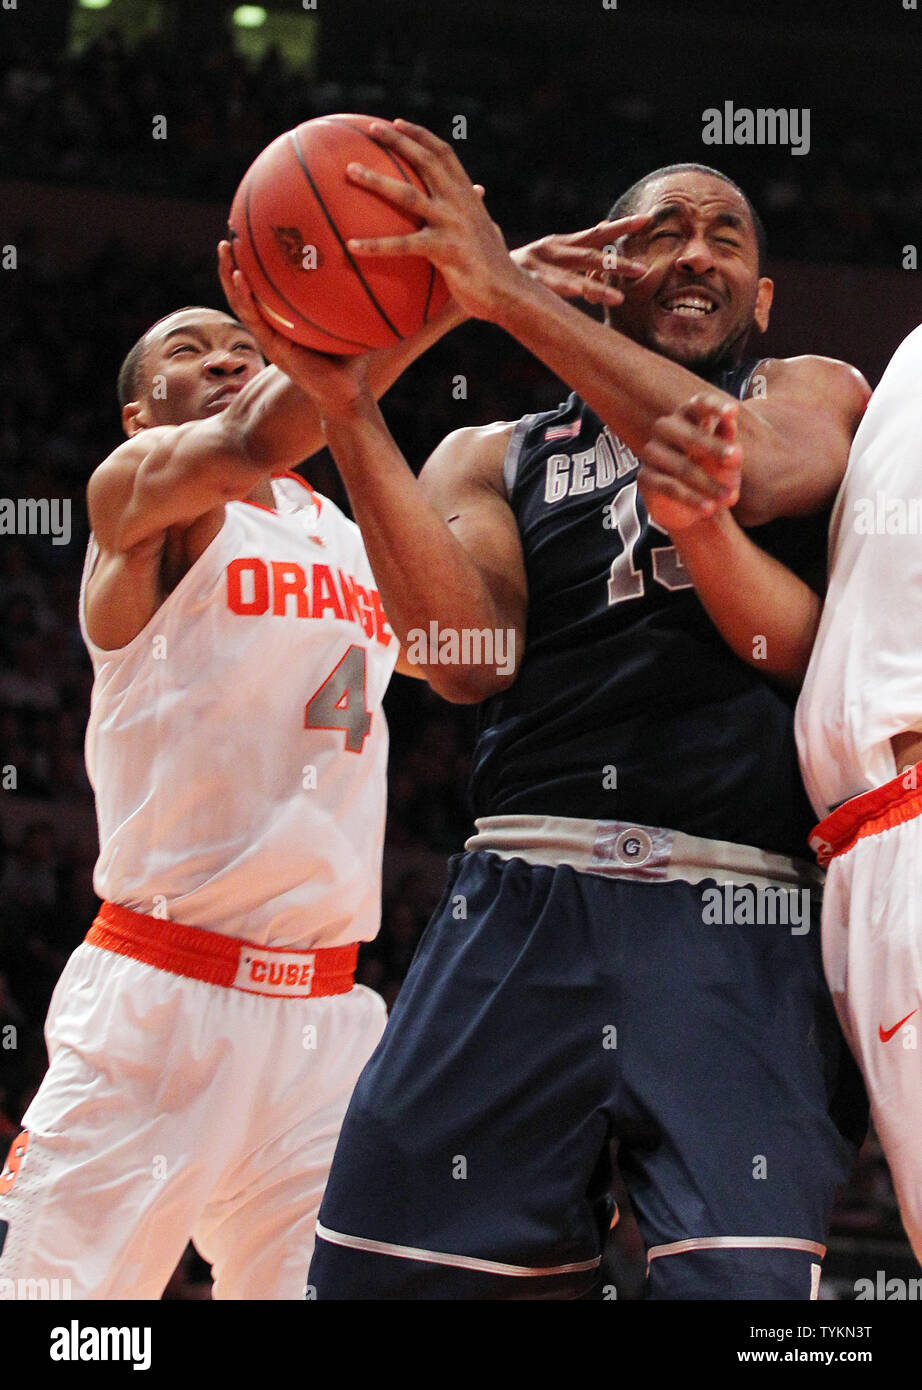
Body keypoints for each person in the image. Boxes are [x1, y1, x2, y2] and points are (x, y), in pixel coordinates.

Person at [221, 121, 871, 1299]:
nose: (695, 253)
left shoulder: (811, 388)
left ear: (764, 297)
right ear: (607, 267)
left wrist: (505, 296)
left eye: (725, 237)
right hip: (523, 892)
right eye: (662, 231)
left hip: (738, 907)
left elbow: (752, 465)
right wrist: (349, 408)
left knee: (752, 1304)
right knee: (382, 1283)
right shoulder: (489, 452)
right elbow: (461, 659)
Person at [0, 221, 628, 1299]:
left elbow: (464, 658)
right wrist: (459, 291)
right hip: (162, 996)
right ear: (138, 413)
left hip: (326, 1017)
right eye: (189, 351)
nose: (225, 359)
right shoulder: (136, 498)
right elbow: (259, 435)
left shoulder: (347, 530)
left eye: (242, 347)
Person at [639, 323, 922, 1263]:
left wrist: (505, 297)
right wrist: (703, 529)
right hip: (865, 843)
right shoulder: (908, 361)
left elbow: (742, 459)